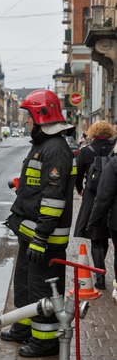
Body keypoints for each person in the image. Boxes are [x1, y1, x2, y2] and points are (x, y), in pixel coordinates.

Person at [1, 89, 77, 358]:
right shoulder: (43, 146)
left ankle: (45, 341)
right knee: (24, 284)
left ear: (40, 116)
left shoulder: (55, 150)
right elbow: (40, 186)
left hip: (45, 240)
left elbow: (53, 200)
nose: (26, 122)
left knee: (42, 289)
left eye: (29, 117)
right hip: (30, 234)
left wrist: (41, 238)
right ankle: (24, 328)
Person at [73, 120, 115, 289]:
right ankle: (101, 271)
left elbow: (78, 175)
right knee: (104, 236)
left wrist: (79, 189)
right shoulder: (115, 150)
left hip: (92, 198)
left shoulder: (85, 152)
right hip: (111, 197)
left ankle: (100, 275)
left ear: (92, 132)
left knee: (95, 237)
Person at [87, 141, 117, 303]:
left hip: (112, 215)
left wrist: (92, 219)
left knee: (99, 241)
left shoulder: (113, 163)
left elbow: (104, 195)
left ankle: (103, 278)